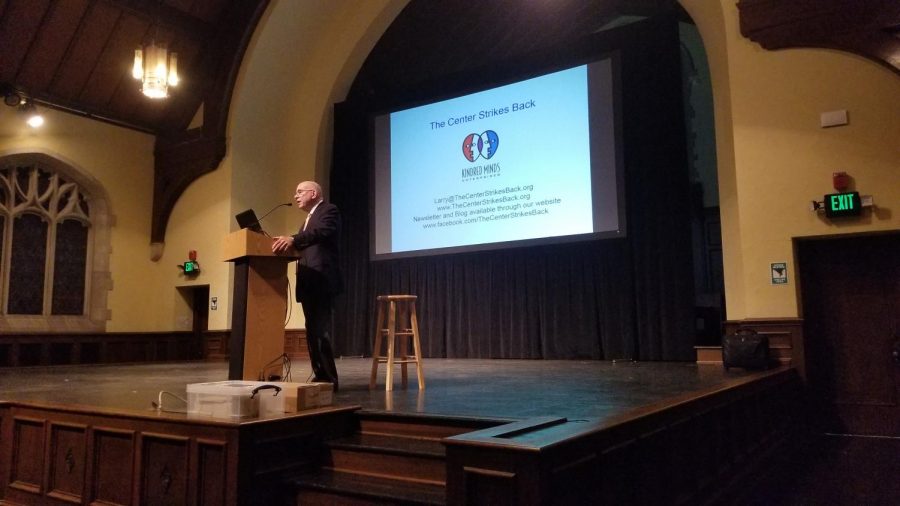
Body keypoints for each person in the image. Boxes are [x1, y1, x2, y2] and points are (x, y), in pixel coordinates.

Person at [272, 181, 342, 389]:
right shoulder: (305, 221)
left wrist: (293, 239)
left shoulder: (328, 210)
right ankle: (320, 375)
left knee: (319, 330)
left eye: (300, 192)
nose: (296, 196)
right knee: (312, 330)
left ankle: (328, 380)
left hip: (321, 280)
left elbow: (321, 232)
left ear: (313, 193)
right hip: (309, 281)